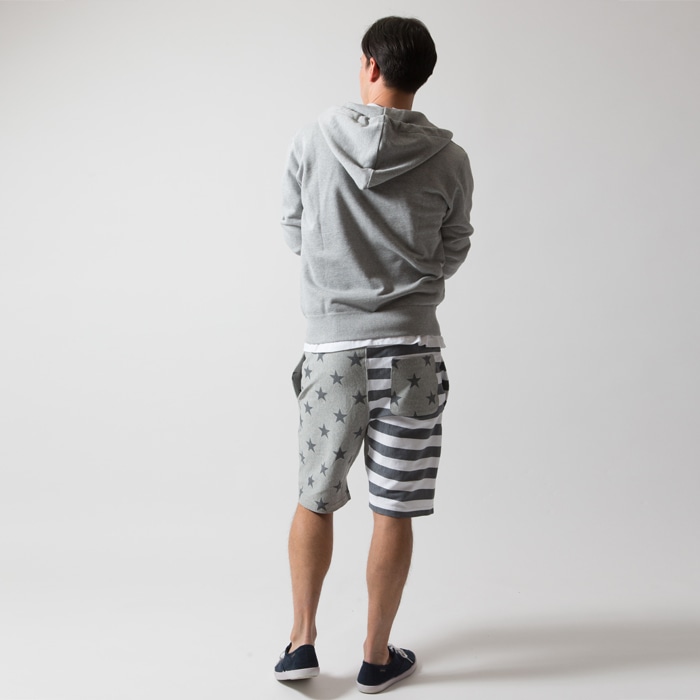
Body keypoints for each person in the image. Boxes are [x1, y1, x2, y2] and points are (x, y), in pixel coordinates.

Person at [274, 16, 475, 694]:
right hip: (412, 354)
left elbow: (294, 229)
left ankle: (302, 643)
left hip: (331, 354)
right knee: (394, 508)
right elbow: (455, 243)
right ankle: (375, 655)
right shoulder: (450, 159)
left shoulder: (313, 138)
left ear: (369, 64)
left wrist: (338, 271)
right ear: (421, 76)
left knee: (316, 498)